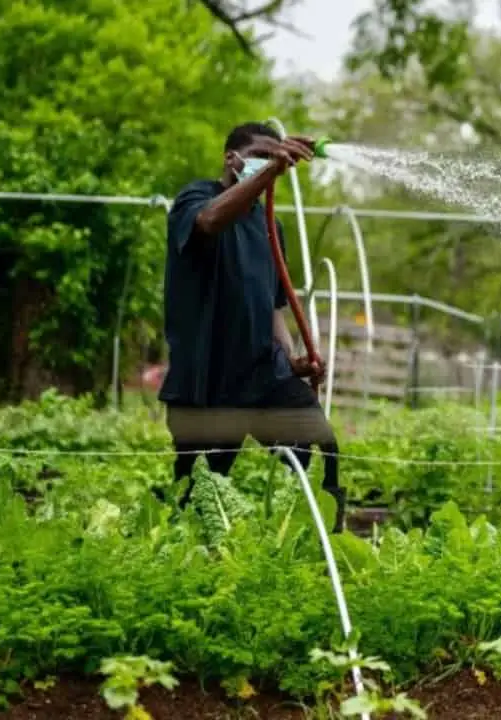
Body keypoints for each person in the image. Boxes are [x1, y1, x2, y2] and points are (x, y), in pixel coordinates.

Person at [154, 121, 347, 533]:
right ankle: (187, 555)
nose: (268, 165)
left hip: (262, 375)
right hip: (206, 378)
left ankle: (322, 541)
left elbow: (274, 304)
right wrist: (269, 173)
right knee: (201, 484)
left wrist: (291, 358)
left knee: (319, 443)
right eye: (260, 156)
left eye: (274, 158)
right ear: (232, 159)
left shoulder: (270, 226)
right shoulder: (198, 198)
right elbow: (208, 222)